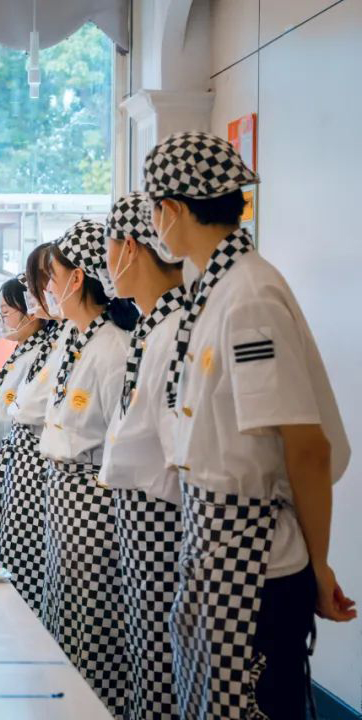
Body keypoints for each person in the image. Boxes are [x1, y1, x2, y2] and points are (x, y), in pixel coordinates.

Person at [143, 130, 356, 719]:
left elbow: (306, 445)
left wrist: (319, 566)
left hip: (255, 556)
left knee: (249, 706)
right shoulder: (215, 289)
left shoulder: (248, 298)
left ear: (173, 210)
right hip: (214, 542)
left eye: (155, 210)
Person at [37, 219, 138, 717]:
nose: (46, 290)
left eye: (51, 277)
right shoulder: (77, 340)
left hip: (92, 498)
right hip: (64, 493)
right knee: (64, 612)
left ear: (76, 279)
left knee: (93, 621)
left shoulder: (114, 347)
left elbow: (124, 436)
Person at [98, 193, 185, 719]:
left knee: (159, 663)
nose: (106, 264)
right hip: (138, 511)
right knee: (143, 658)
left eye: (109, 249)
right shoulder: (152, 325)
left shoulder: (175, 329)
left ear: (129, 248)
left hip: (163, 516)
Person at [0, 243, 66, 616]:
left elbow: (29, 408)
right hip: (18, 461)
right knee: (15, 560)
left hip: (37, 464)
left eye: (7, 312)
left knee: (28, 568)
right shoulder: (30, 348)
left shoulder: (50, 347)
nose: (2, 320)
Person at [0, 276, 49, 566]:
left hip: (29, 464)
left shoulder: (42, 352)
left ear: (31, 310)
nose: (1, 320)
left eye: (5, 312)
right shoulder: (23, 349)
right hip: (11, 461)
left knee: (23, 555)